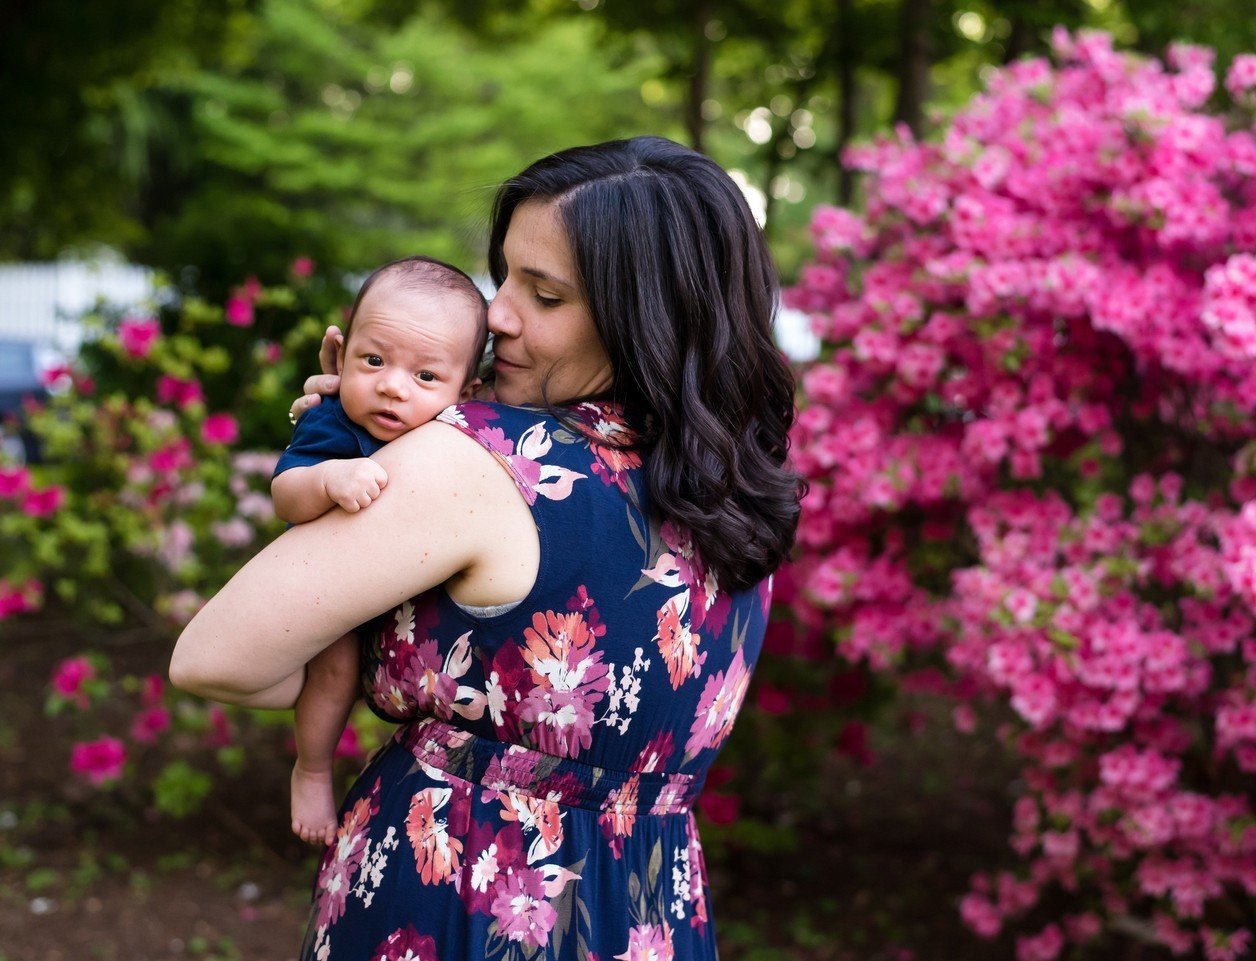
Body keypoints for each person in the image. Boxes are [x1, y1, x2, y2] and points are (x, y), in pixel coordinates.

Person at [171, 135, 802, 961]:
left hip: (463, 894)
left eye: (543, 294)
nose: (497, 312)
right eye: (503, 274)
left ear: (645, 315)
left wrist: (350, 446)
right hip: (648, 907)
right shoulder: (732, 484)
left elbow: (214, 657)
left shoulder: (486, 458)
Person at [270, 255, 487, 845]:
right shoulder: (336, 424)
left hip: (409, 599)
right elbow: (284, 494)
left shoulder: (454, 432)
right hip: (329, 586)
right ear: (339, 357)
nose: (392, 386)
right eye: (374, 360)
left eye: (425, 377)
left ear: (465, 392)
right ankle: (312, 768)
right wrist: (327, 480)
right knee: (335, 669)